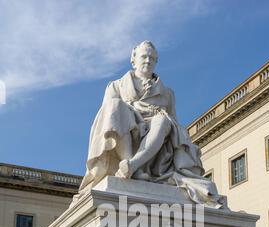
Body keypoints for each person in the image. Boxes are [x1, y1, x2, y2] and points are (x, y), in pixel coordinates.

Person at [79, 41, 223, 207]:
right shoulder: (116, 86)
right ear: (133, 59)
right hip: (126, 133)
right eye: (144, 56)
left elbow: (175, 123)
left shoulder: (167, 93)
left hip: (156, 137)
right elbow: (107, 119)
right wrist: (133, 109)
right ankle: (129, 164)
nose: (148, 61)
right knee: (115, 106)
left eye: (152, 58)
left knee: (164, 120)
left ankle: (133, 166)